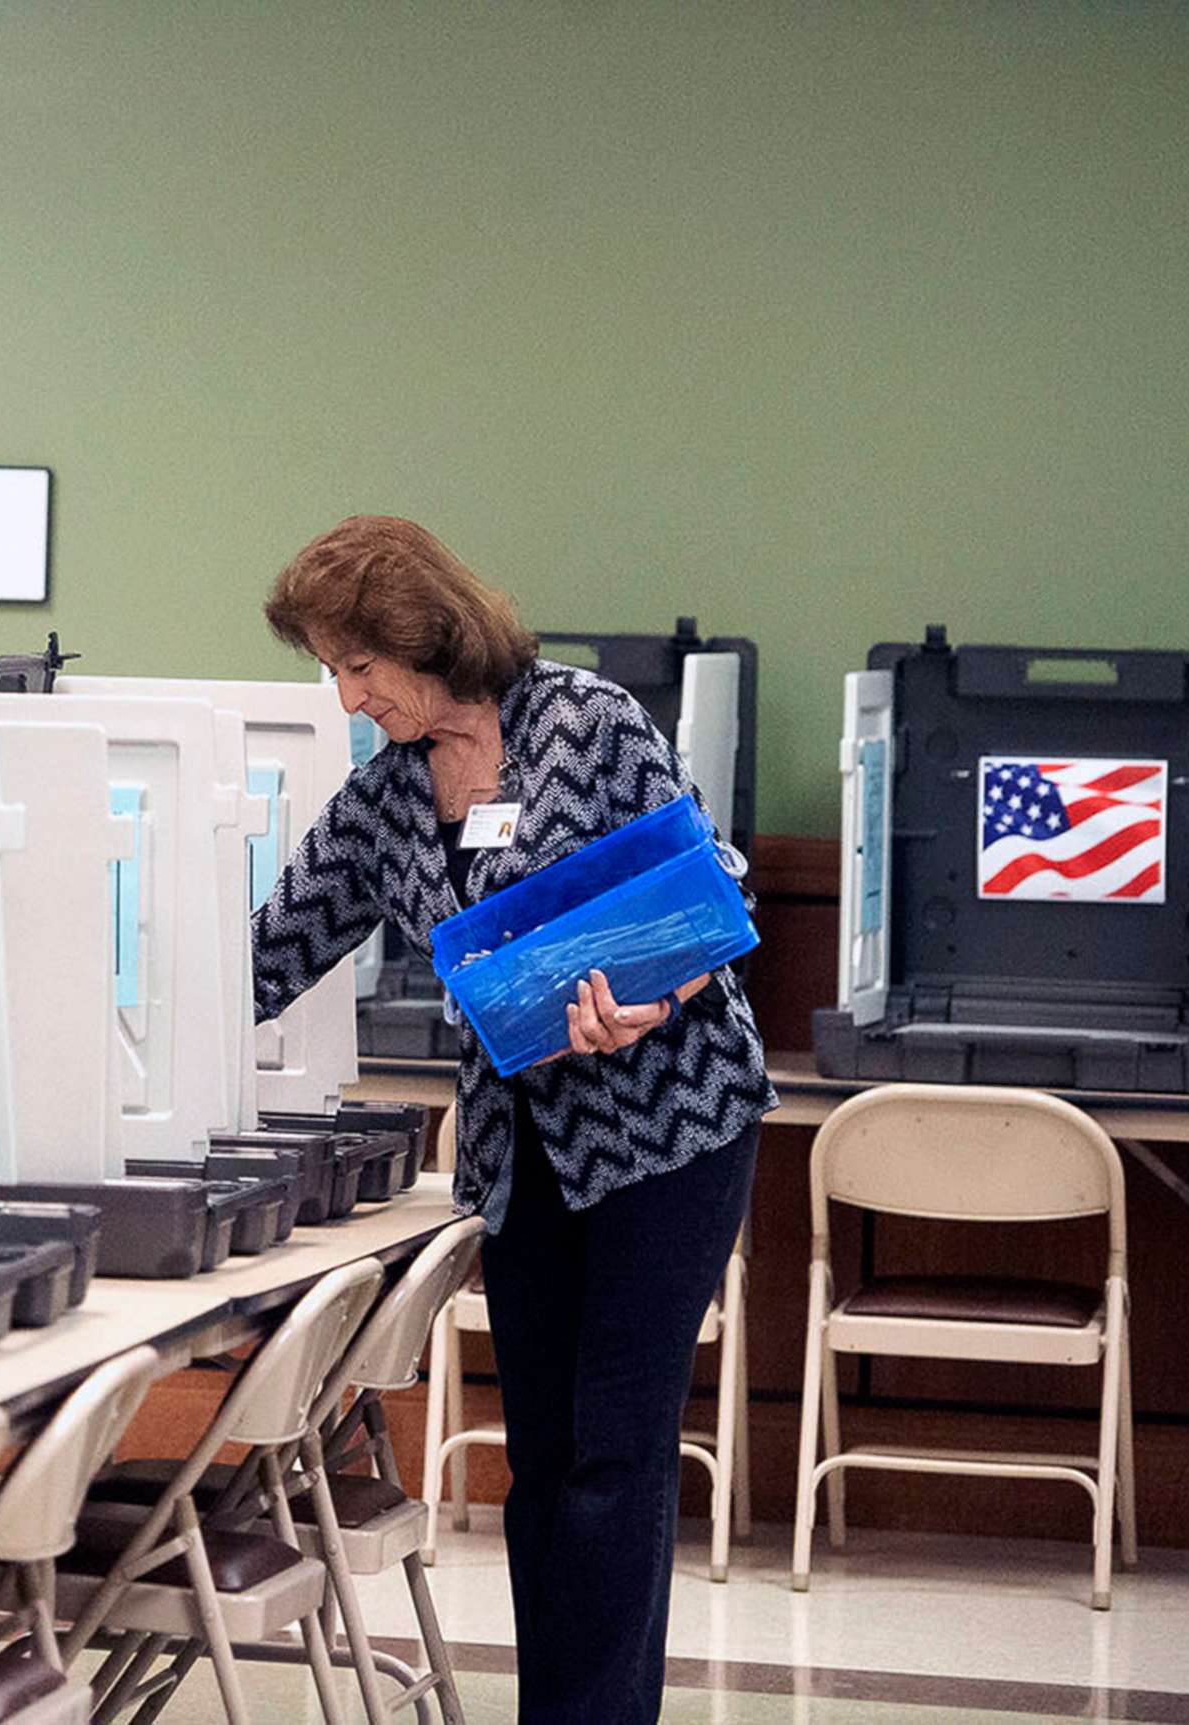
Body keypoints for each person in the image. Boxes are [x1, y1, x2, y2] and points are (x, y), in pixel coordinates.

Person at [252, 515, 775, 1725]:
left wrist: (649, 998)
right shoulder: (384, 801)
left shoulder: (583, 723)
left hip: (670, 1132)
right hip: (524, 1154)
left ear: (420, 637)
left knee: (612, 1457)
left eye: (356, 665)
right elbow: (266, 956)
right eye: (329, 670)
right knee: (539, 1458)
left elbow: (716, 889)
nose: (344, 695)